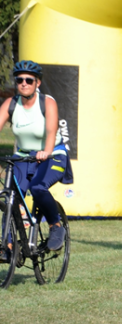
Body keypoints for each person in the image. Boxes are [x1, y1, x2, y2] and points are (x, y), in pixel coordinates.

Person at [0, 60, 73, 259]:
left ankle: (56, 225)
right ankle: (7, 245)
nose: (23, 83)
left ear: (37, 83)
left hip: (53, 155)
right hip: (23, 157)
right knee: (10, 197)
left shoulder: (47, 102)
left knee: (38, 188)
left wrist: (46, 152)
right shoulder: (11, 104)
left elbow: (51, 132)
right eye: (19, 80)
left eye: (29, 80)